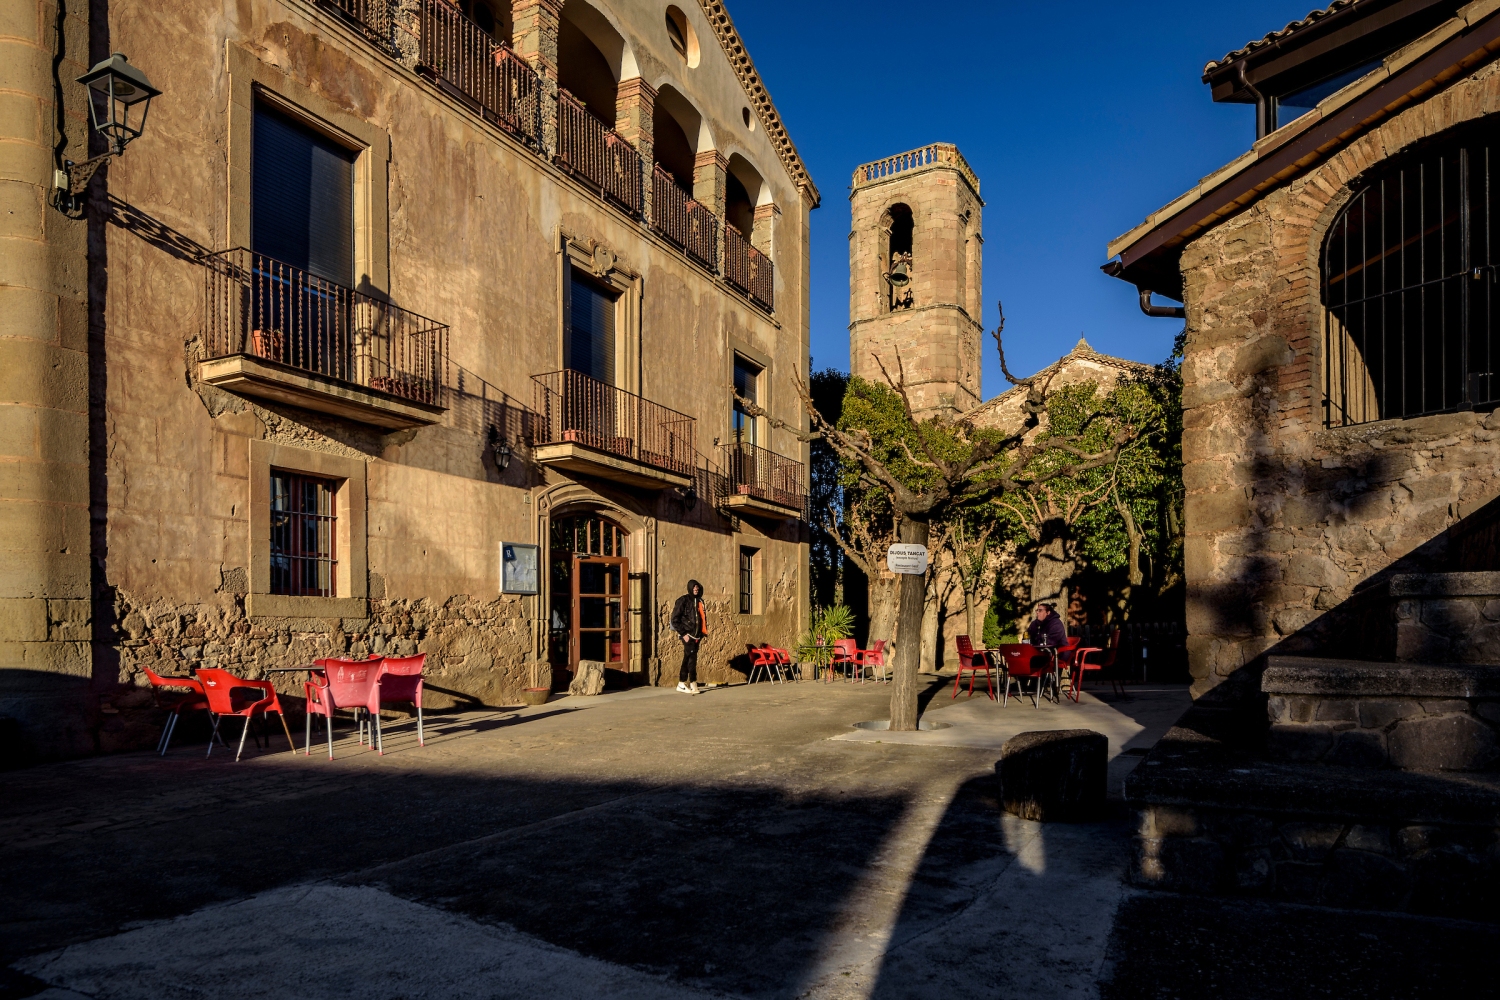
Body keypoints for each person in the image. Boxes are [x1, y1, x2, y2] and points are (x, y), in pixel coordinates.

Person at [670, 579, 707, 695]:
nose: (696, 590)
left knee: (690, 658)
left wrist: (701, 634)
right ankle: (690, 682)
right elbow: (674, 620)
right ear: (690, 588)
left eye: (697, 588)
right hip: (687, 635)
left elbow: (701, 618)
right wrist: (683, 634)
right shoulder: (683, 600)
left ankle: (685, 683)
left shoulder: (699, 601)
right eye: (694, 588)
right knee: (690, 659)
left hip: (696, 636)